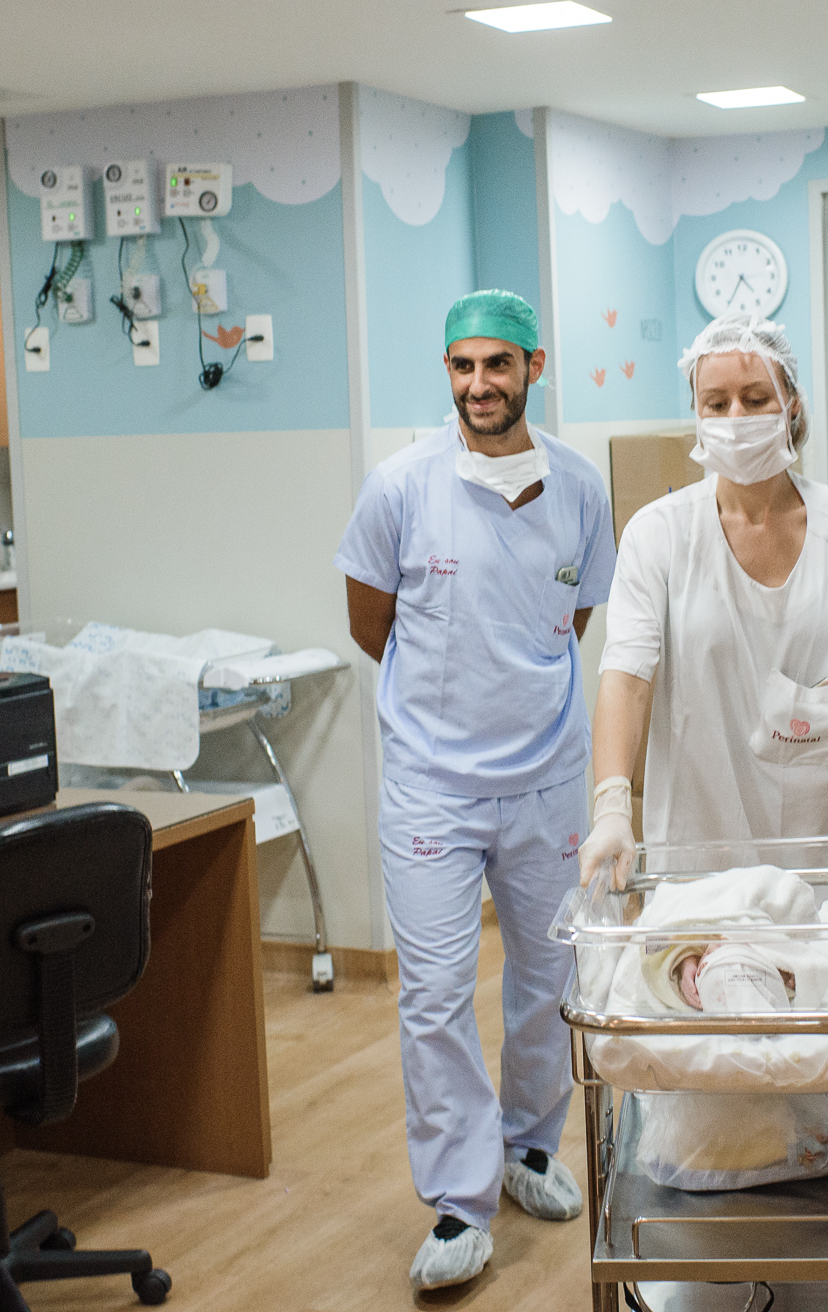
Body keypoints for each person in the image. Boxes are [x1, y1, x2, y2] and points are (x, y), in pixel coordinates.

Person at [334, 289, 617, 1292]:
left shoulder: (581, 487)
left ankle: (530, 1144)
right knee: (435, 995)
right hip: (431, 787)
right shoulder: (399, 486)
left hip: (545, 776)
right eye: (462, 366)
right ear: (445, 372)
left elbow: (570, 620)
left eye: (497, 364)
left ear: (533, 367)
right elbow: (374, 626)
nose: (478, 384)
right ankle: (459, 1199)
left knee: (550, 975)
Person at [579, 312, 828, 889]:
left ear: (792, 404)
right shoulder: (658, 534)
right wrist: (612, 808)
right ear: (695, 414)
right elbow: (626, 674)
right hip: (694, 855)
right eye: (716, 403)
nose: (735, 418)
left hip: (822, 853)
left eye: (755, 398)